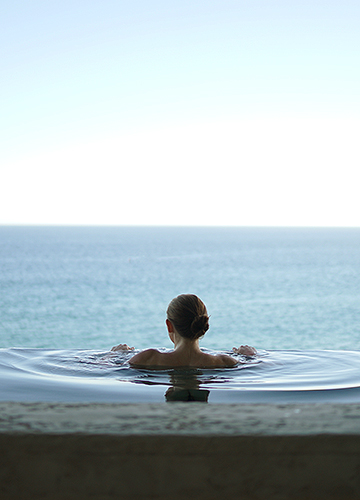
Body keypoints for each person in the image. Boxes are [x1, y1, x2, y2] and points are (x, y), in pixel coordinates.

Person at [111, 294, 256, 368]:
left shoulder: (148, 359)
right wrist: (250, 356)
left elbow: (109, 368)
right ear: (204, 325)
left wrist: (114, 355)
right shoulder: (224, 362)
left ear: (169, 326)